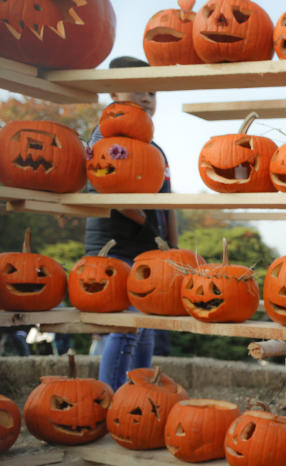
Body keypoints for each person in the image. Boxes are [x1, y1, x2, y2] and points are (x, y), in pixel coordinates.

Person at [83, 55, 177, 390]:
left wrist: (172, 247)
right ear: (113, 93)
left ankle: (141, 392)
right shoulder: (103, 138)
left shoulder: (156, 152)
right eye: (137, 89)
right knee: (125, 328)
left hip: (147, 249)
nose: (146, 97)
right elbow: (104, 185)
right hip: (113, 245)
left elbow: (167, 205)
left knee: (145, 325)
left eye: (152, 91)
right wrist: (143, 220)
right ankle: (110, 395)